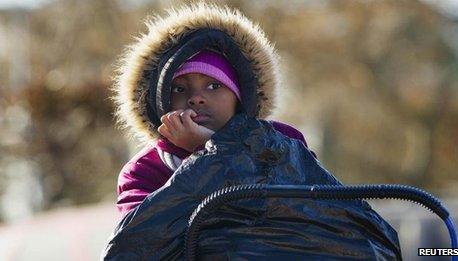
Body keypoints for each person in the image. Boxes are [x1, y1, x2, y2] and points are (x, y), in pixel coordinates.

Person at [113, 3, 316, 217]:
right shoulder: (144, 171)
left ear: (240, 97)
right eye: (179, 89)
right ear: (161, 101)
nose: (196, 98)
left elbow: (311, 207)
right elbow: (143, 238)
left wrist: (211, 146)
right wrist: (203, 155)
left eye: (214, 86)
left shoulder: (282, 142)